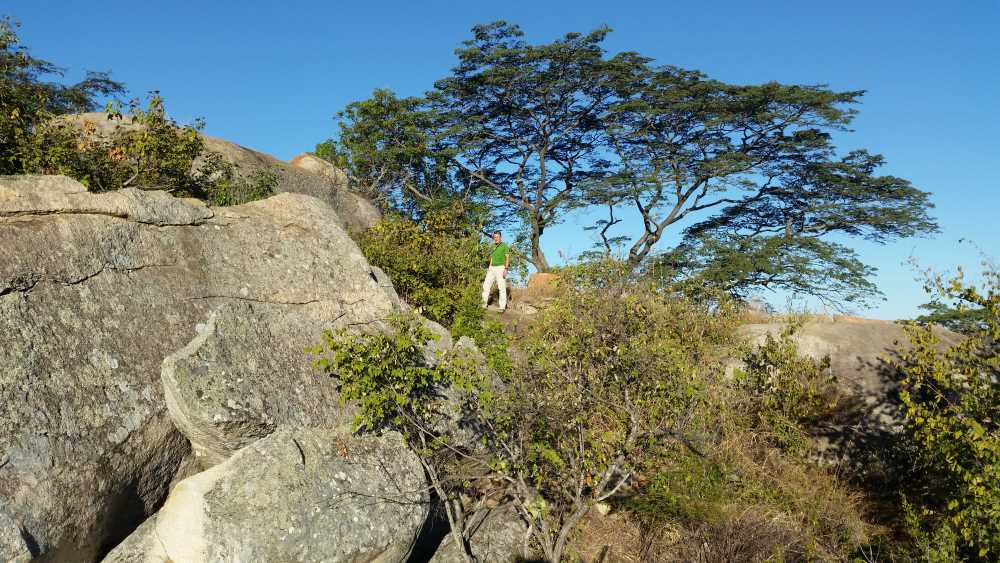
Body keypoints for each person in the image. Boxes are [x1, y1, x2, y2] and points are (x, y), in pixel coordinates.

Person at [482, 231, 510, 312]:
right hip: (492, 267)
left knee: (501, 287)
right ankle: (483, 303)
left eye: (497, 237)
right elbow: (492, 258)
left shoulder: (504, 246)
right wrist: (489, 268)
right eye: (495, 237)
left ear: (500, 237)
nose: (496, 238)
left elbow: (507, 257)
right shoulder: (493, 246)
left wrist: (506, 269)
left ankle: (502, 307)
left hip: (501, 267)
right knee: (486, 285)